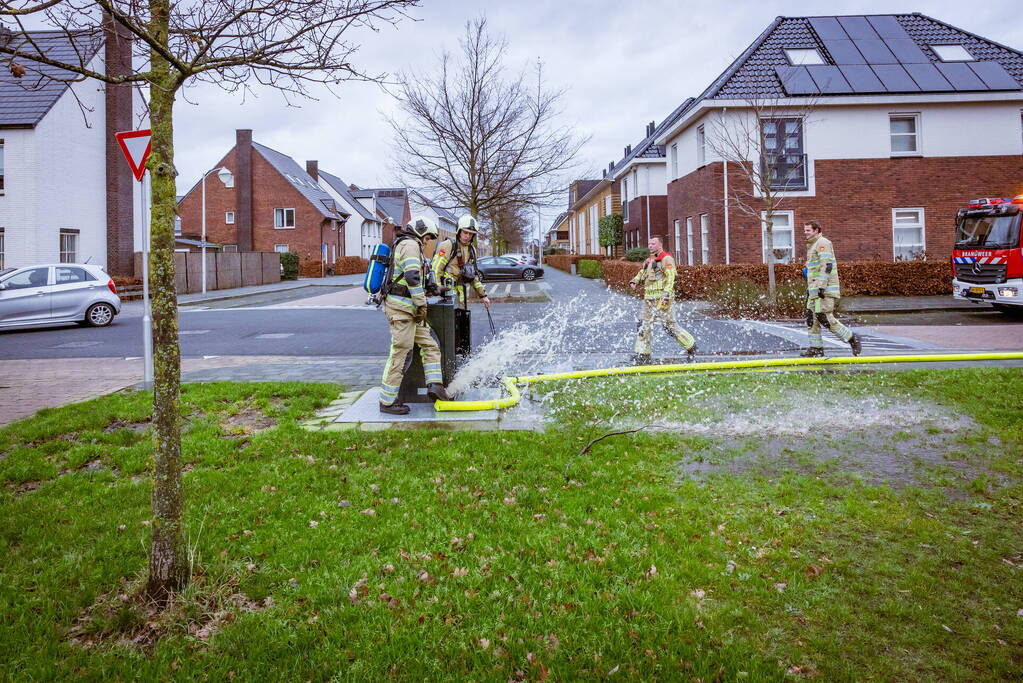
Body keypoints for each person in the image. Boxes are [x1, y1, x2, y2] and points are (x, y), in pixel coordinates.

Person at [379, 216, 452, 414]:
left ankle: (435, 386)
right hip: (402, 311)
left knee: (431, 345)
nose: (427, 241)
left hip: (409, 311)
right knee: (400, 353)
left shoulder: (410, 245)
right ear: (420, 231)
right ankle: (386, 402)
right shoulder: (410, 244)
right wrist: (422, 305)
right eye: (427, 237)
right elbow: (412, 277)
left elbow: (419, 280)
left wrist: (437, 289)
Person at [629, 237, 697, 365]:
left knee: (669, 326)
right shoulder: (649, 260)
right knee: (643, 325)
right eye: (649, 243)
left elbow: (671, 277)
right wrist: (635, 281)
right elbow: (642, 273)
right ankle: (642, 353)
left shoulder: (666, 259)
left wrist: (666, 294)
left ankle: (691, 345)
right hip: (648, 299)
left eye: (653, 243)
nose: (650, 246)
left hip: (662, 298)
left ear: (660, 244)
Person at [801, 221, 862, 357]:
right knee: (811, 318)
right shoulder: (812, 246)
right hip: (814, 290)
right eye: (805, 230)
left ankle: (852, 338)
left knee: (824, 317)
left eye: (808, 230)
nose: (805, 233)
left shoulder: (823, 243)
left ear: (816, 230)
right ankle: (816, 348)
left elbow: (826, 266)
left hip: (824, 290)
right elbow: (815, 269)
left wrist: (821, 286)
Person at [431, 215, 492, 310]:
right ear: (459, 231)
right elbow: (436, 269)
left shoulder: (472, 250)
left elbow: (473, 275)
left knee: (462, 322)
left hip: (461, 298)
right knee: (449, 323)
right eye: (465, 232)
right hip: (446, 296)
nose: (467, 236)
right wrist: (437, 290)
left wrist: (483, 296)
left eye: (470, 234)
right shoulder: (448, 245)